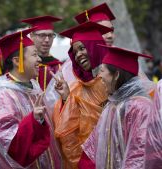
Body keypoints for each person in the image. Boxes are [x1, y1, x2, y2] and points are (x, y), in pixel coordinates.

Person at [0, 27, 62, 169]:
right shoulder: (5, 95)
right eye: (34, 55)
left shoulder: (33, 87)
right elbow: (2, 138)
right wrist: (33, 120)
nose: (39, 59)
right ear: (17, 61)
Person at [80, 45, 157, 169]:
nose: (99, 76)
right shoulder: (111, 107)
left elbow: (140, 156)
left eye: (102, 70)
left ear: (116, 75)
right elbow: (93, 148)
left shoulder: (141, 107)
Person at [49, 22, 112, 169]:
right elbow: (68, 138)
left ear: (95, 47)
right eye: (75, 52)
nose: (78, 55)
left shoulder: (117, 80)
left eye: (82, 48)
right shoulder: (75, 91)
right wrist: (66, 98)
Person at [21, 15, 63, 91]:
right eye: (42, 35)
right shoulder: (23, 67)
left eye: (50, 35)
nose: (47, 40)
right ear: (31, 35)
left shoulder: (59, 67)